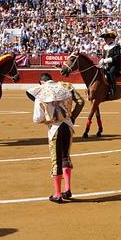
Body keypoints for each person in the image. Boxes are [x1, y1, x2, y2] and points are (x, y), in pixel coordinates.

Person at [26, 73, 75, 204]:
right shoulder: (65, 87)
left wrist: (47, 120)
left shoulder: (41, 93)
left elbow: (37, 118)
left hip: (55, 129)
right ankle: (68, 189)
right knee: (66, 157)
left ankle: (58, 194)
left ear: (41, 82)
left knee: (56, 161)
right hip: (68, 126)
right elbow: (77, 102)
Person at [98, 30, 121, 96]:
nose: (105, 40)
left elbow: (117, 57)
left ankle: (113, 88)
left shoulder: (116, 46)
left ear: (111, 39)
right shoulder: (105, 47)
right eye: (104, 38)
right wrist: (102, 60)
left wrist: (106, 60)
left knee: (111, 72)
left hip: (114, 64)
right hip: (106, 65)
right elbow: (104, 56)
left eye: (106, 38)